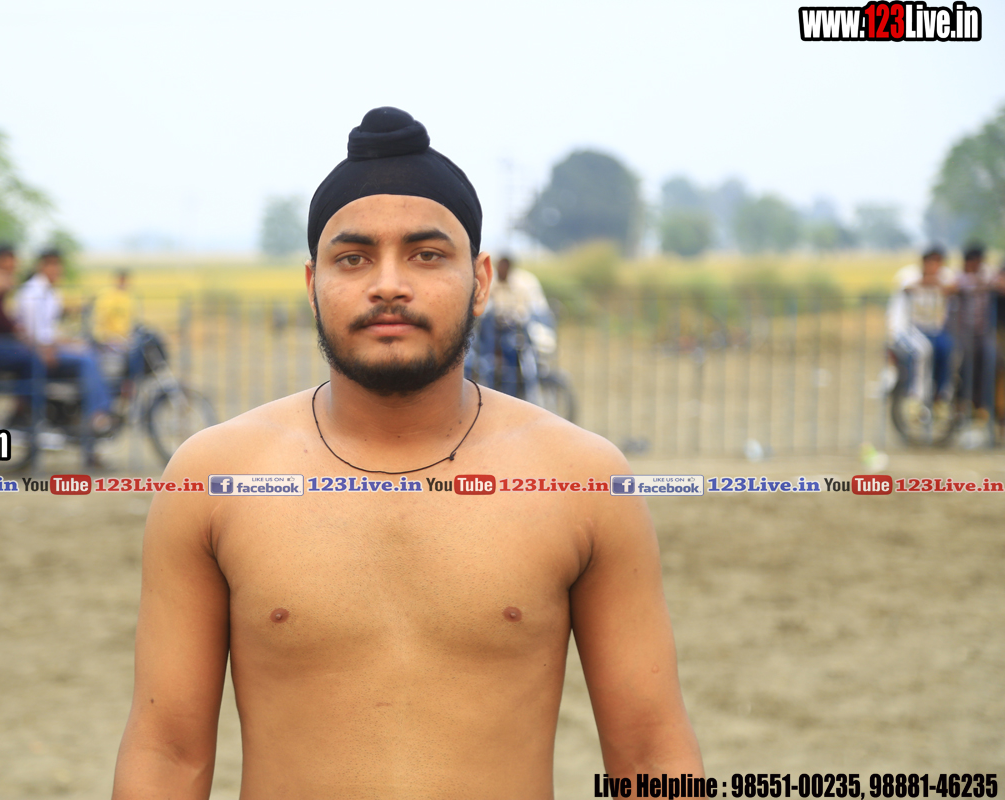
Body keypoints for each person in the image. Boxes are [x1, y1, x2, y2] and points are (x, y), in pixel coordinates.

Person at [112, 107, 702, 797]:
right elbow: (166, 754)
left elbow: (651, 754)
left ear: (481, 281)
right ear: (312, 286)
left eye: (426, 254)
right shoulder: (213, 478)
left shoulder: (583, 480)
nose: (388, 283)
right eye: (353, 258)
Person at [13, 247, 113, 467]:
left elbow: (51, 328)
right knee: (88, 360)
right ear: (41, 266)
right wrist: (65, 345)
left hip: (49, 347)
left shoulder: (51, 292)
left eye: (58, 265)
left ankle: (89, 428)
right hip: (41, 353)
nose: (56, 269)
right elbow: (37, 334)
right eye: (51, 264)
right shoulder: (32, 293)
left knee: (90, 352)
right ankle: (99, 413)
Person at [468, 254, 556, 398]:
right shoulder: (493, 283)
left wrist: (512, 317)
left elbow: (526, 311)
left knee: (511, 350)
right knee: (486, 327)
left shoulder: (521, 284)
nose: (501, 271)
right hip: (495, 328)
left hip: (514, 328)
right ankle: (488, 363)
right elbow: (487, 306)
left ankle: (511, 392)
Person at [887, 245, 956, 410]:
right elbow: (907, 287)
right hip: (907, 328)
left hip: (933, 329)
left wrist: (938, 283)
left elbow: (953, 288)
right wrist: (930, 282)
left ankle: (941, 395)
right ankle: (916, 396)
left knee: (949, 349)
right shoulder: (908, 274)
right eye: (932, 262)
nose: (935, 267)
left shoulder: (945, 276)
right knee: (922, 351)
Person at [0, 243, 40, 407]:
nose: (13, 264)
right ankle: (23, 407)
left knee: (28, 353)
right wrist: (15, 330)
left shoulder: (0, 281)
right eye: (9, 259)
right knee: (31, 358)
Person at [949, 243, 997, 415]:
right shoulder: (958, 277)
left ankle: (982, 404)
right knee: (965, 365)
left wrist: (984, 283)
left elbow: (997, 283)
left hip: (983, 332)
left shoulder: (986, 274)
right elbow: (953, 287)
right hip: (963, 333)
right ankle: (961, 402)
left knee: (989, 361)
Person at [92, 268, 144, 392]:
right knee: (132, 356)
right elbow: (99, 320)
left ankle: (131, 383)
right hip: (109, 340)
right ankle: (126, 386)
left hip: (124, 339)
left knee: (140, 351)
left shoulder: (129, 298)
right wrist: (105, 337)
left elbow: (132, 320)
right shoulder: (106, 297)